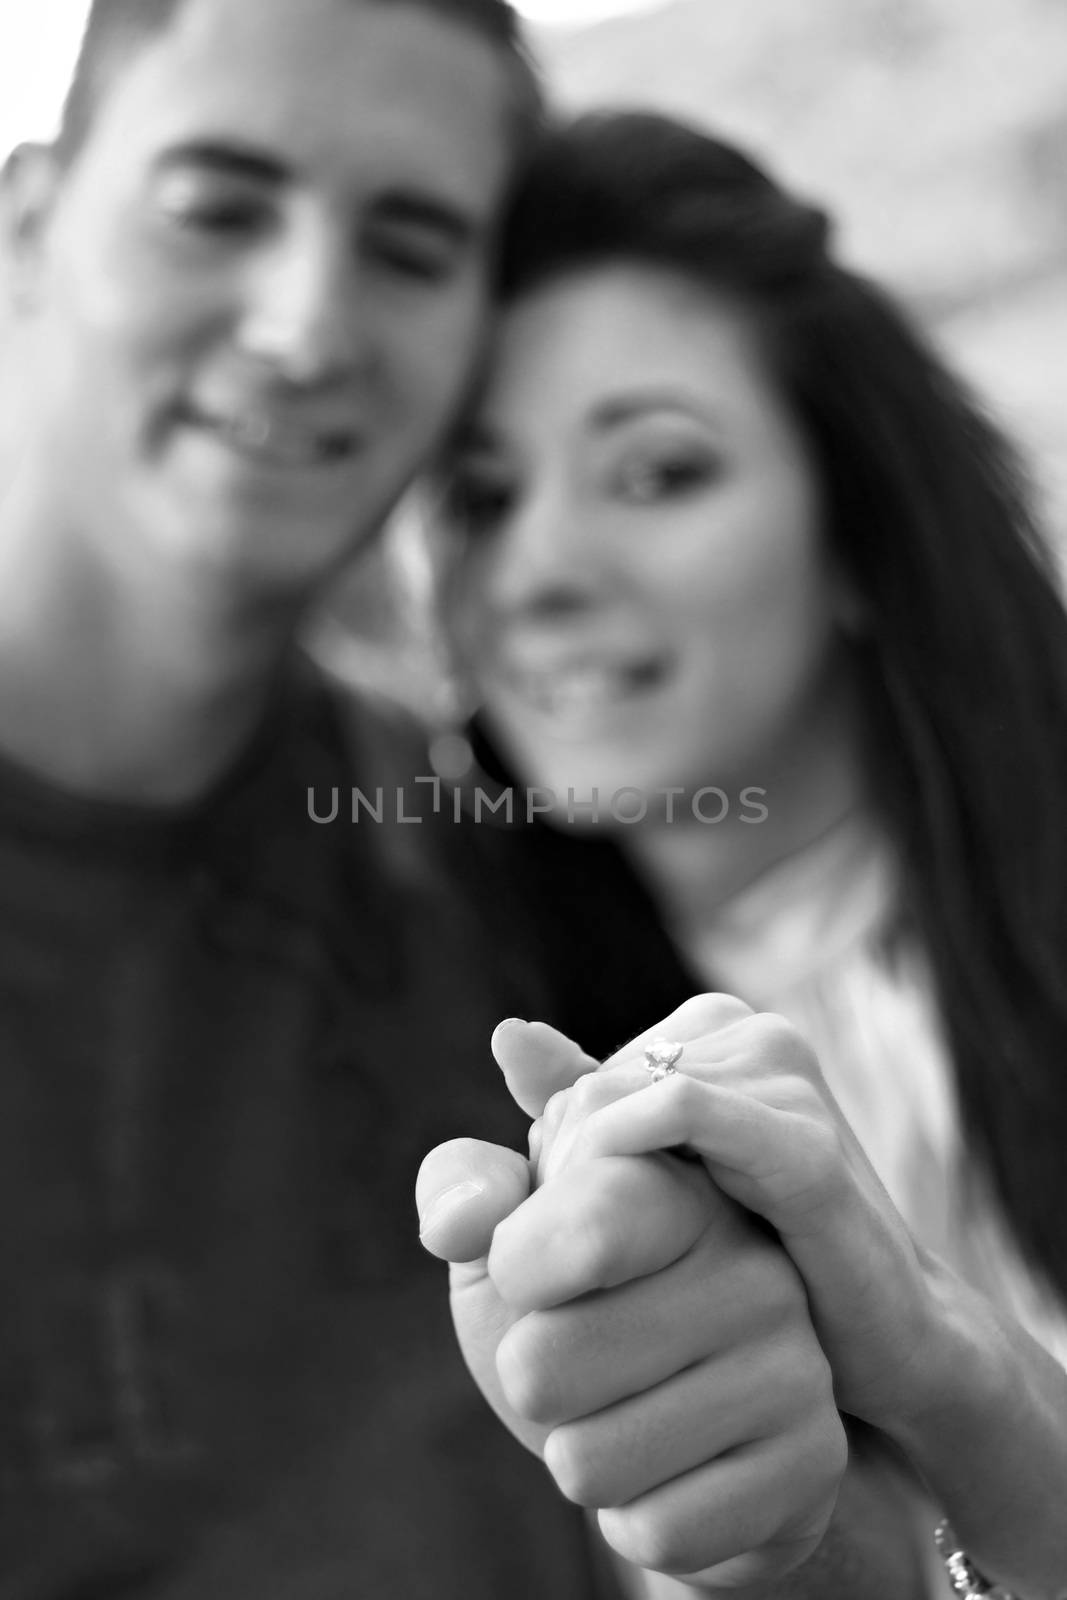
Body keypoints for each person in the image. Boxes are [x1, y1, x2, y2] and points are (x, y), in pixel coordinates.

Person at [0, 7, 885, 1597]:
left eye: (410, 247)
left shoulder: (497, 856)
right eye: (216, 207)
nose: (303, 326)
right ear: (27, 221)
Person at [417, 112, 1067, 1597]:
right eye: (482, 495)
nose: (539, 573)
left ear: (851, 530)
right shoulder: (459, 1062)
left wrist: (961, 1377)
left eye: (654, 473)